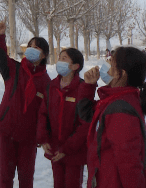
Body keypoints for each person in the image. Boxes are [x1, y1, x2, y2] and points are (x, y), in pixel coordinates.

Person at [77, 47, 146, 188]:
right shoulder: (113, 100)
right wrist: (88, 86)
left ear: (121, 74)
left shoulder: (120, 109)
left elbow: (129, 164)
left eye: (111, 63)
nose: (105, 65)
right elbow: (88, 115)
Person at [0, 22, 51, 188]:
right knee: (5, 177)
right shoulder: (14, 70)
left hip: (28, 138)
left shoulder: (46, 83)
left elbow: (46, 113)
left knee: (26, 179)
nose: (31, 49)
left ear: (44, 55)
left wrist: (43, 136)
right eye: (30, 45)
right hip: (8, 133)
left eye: (37, 47)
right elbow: (0, 56)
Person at [37, 48, 89, 188]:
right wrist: (44, 139)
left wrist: (66, 149)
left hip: (73, 151)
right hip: (55, 149)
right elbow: (43, 114)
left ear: (75, 66)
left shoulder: (83, 88)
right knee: (58, 184)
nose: (60, 61)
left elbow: (85, 124)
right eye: (59, 58)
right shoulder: (51, 86)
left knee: (72, 184)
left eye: (64, 58)